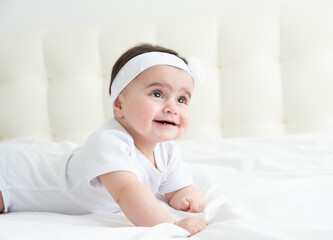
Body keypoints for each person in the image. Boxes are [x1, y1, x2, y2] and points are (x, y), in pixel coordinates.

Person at [0, 43, 208, 236]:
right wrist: (171, 225)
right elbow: (128, 193)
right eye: (157, 94)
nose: (172, 107)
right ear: (119, 105)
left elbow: (178, 187)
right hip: (14, 176)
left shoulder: (167, 151)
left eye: (182, 99)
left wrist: (187, 198)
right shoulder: (108, 142)